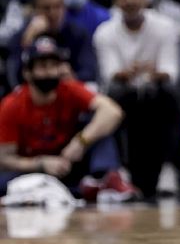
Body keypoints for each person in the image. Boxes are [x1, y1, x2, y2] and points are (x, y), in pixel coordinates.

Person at [0, 36, 132, 201]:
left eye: (54, 66)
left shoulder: (69, 88)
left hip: (69, 162)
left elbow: (112, 112)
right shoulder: (12, 104)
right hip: (32, 169)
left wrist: (81, 141)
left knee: (100, 126)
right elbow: (4, 158)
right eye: (42, 67)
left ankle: (103, 180)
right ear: (27, 72)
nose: (49, 72)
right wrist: (40, 163)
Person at [93, 0, 180, 198]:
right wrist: (134, 72)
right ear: (115, 2)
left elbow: (170, 71)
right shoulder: (104, 32)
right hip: (125, 93)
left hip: (156, 90)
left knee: (170, 93)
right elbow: (111, 74)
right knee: (113, 95)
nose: (129, 0)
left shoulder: (165, 26)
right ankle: (121, 170)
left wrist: (150, 73)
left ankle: (168, 169)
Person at [8, 0, 98, 87]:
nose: (53, 13)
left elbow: (89, 72)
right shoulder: (22, 35)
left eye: (57, 6)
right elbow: (14, 79)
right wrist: (28, 41)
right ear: (35, 10)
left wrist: (72, 76)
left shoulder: (78, 33)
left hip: (68, 88)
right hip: (35, 90)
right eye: (46, 8)